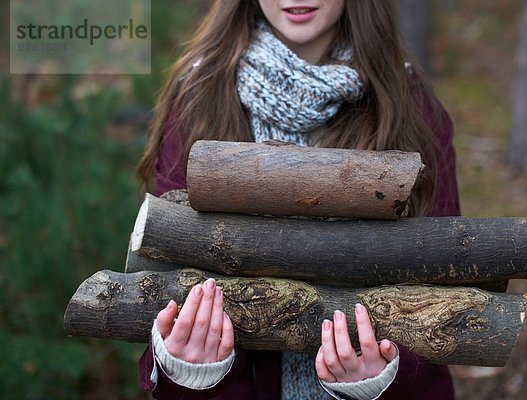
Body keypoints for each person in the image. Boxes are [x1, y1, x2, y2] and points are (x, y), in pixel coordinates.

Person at [136, 0, 460, 399]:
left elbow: (444, 288)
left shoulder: (409, 105)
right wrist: (195, 369)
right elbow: (166, 284)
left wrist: (388, 371)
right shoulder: (199, 96)